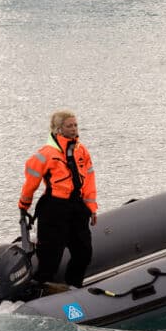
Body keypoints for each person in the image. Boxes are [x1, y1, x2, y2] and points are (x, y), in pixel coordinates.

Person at [18, 110, 98, 289]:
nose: (74, 129)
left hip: (77, 207)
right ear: (58, 129)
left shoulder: (81, 151)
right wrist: (24, 205)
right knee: (50, 256)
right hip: (54, 208)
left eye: (75, 125)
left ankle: (73, 286)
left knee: (84, 253)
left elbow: (89, 181)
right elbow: (31, 183)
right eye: (69, 126)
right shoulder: (45, 154)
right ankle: (39, 289)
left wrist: (91, 207)